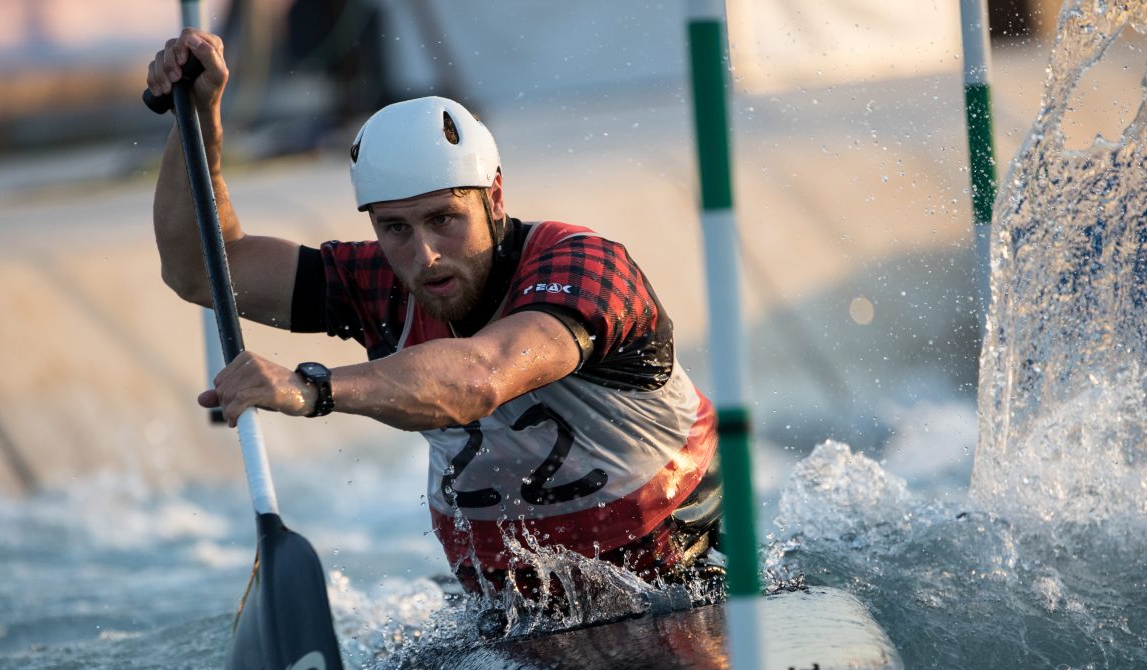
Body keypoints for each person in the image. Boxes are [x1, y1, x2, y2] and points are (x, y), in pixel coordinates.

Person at [148, 29, 723, 617]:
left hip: (680, 583)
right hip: (506, 612)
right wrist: (195, 120)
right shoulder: (380, 283)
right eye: (394, 228)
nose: (424, 256)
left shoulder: (586, 266)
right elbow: (201, 268)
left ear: (494, 199)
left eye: (444, 219)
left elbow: (481, 377)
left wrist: (313, 388)